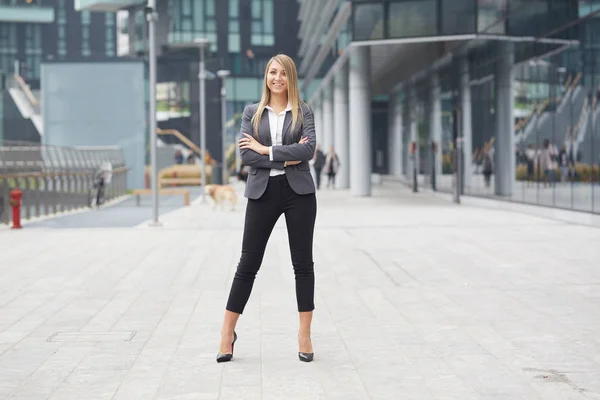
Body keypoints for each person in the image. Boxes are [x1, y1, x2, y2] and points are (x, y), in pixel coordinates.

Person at [217, 54, 317, 363]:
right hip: (262, 192)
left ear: (291, 78)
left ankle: (304, 335)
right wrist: (287, 156)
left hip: (298, 192)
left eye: (283, 73)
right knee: (248, 264)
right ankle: (226, 334)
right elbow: (247, 158)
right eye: (272, 72)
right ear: (266, 77)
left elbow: (309, 150)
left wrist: (268, 150)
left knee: (302, 264)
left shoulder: (303, 111)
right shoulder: (252, 113)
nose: (277, 78)